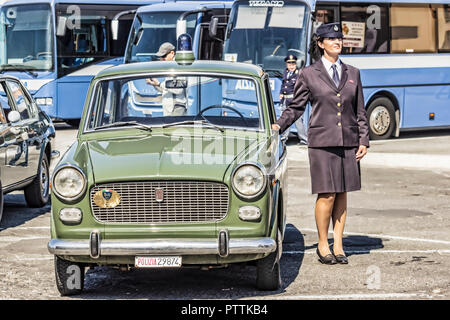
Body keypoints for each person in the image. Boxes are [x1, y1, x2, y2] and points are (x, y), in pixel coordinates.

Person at [272, 22, 370, 265]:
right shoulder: (308, 73)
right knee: (327, 194)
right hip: (322, 142)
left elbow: (360, 110)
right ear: (320, 43)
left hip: (348, 141)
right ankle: (323, 243)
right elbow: (296, 107)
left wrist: (364, 139)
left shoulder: (353, 73)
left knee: (342, 193)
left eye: (339, 39)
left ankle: (338, 244)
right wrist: (278, 125)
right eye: (332, 39)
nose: (338, 42)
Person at [146, 42, 187, 116]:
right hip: (170, 108)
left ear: (172, 53)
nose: (162, 59)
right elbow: (167, 89)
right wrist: (154, 84)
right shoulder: (170, 66)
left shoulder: (178, 66)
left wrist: (159, 84)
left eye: (164, 56)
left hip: (176, 108)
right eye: (160, 57)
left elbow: (179, 89)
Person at [280, 54, 307, 145]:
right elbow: (284, 85)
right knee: (285, 119)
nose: (291, 66)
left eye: (293, 64)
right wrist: (281, 94)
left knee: (298, 121)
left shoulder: (299, 74)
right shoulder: (285, 72)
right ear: (286, 65)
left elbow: (301, 88)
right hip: (285, 100)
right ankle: (284, 138)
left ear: (296, 65)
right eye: (289, 64)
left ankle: (304, 139)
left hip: (294, 100)